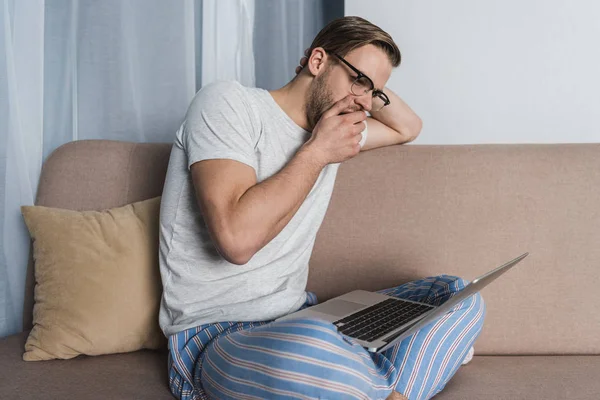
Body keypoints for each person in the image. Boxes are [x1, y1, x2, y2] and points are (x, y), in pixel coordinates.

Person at [158, 15, 485, 400]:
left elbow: (407, 127)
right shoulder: (229, 103)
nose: (365, 103)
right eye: (358, 80)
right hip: (217, 337)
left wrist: (366, 87)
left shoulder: (336, 131)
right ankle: (385, 372)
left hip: (302, 316)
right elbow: (236, 241)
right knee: (312, 344)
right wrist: (316, 153)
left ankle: (351, 375)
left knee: (459, 294)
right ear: (317, 61)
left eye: (375, 93)